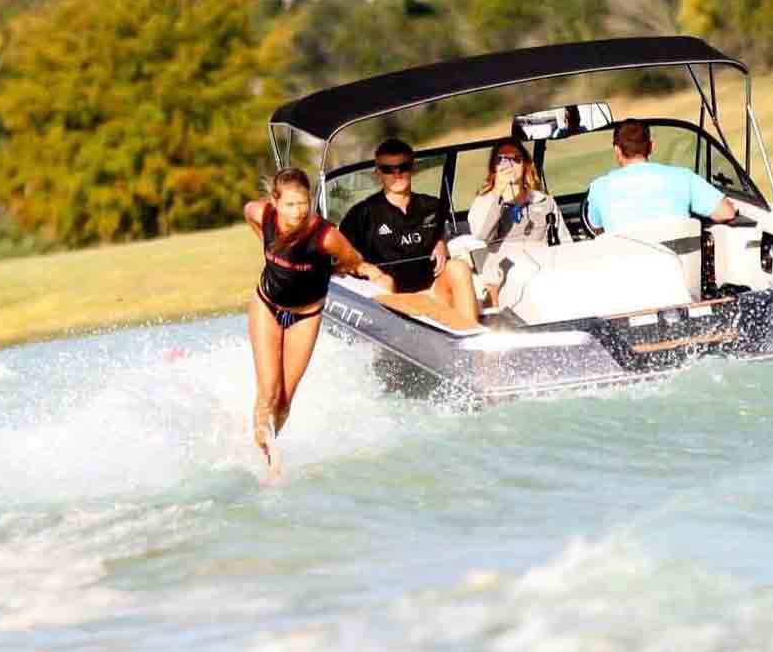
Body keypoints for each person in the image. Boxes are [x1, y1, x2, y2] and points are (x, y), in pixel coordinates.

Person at [245, 167, 388, 469]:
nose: (297, 212)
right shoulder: (262, 213)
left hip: (306, 314)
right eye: (289, 204)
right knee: (268, 390)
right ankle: (266, 457)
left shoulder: (325, 237)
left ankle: (272, 438)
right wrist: (268, 248)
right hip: (267, 305)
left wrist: (331, 270)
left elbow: (353, 260)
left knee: (283, 400)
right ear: (275, 202)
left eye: (303, 203)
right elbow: (249, 213)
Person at [338, 138, 478, 325]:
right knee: (383, 283)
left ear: (413, 168)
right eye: (388, 169)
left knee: (459, 267)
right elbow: (341, 258)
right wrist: (369, 269)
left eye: (403, 167)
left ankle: (470, 332)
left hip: (433, 291)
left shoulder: (433, 206)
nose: (397, 174)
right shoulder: (362, 213)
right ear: (378, 173)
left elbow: (438, 235)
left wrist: (441, 242)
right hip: (392, 298)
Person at [467, 137, 573, 305]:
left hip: (542, 268)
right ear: (493, 168)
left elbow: (565, 242)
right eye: (501, 160)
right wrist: (498, 192)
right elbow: (480, 234)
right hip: (503, 275)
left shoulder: (544, 201)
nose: (508, 165)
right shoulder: (485, 201)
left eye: (515, 159)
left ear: (525, 165)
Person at [586, 119, 737, 234]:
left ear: (617, 150)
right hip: (682, 273)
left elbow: (597, 229)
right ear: (651, 147)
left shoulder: (599, 188)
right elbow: (726, 212)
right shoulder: (683, 177)